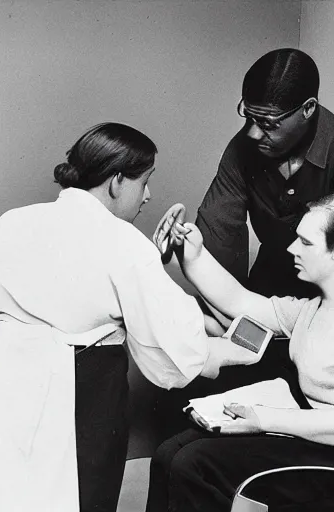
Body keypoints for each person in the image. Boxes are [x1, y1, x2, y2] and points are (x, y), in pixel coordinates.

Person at [0, 122, 256, 512]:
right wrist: (221, 350)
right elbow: (175, 348)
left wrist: (17, 334)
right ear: (117, 181)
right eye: (145, 181)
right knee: (77, 493)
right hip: (82, 387)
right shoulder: (121, 241)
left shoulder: (14, 221)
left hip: (2, 373)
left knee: (2, 489)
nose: (148, 195)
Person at [146, 192, 334, 512]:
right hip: (304, 432)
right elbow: (241, 304)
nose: (292, 249)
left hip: (325, 452)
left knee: (194, 464)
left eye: (305, 243)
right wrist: (195, 255)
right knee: (169, 452)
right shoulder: (313, 308)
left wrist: (264, 419)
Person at [197, 48, 334, 300]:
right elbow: (219, 235)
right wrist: (225, 306)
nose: (253, 133)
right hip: (268, 287)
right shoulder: (242, 149)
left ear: (308, 109)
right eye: (249, 117)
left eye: (268, 123)